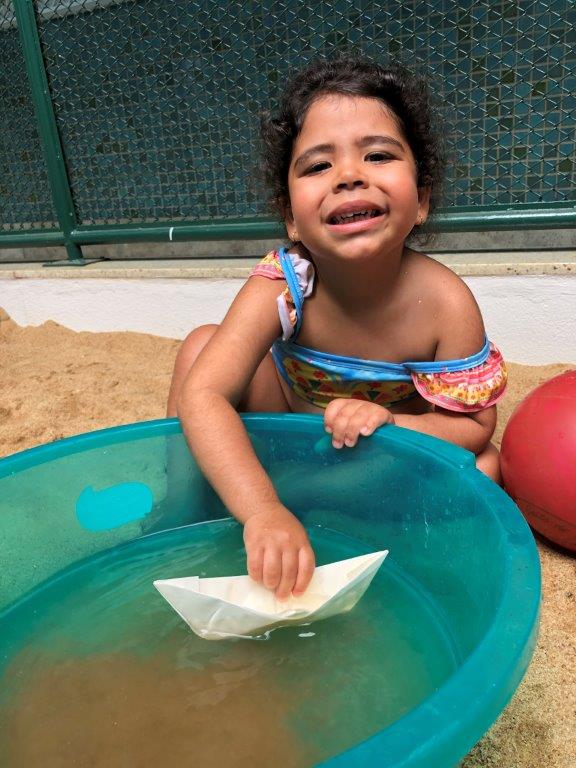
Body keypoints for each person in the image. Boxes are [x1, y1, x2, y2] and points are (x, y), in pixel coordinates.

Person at [167, 57, 507, 601]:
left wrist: (390, 422)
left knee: (488, 469)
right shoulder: (286, 281)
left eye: (378, 155)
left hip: (378, 461)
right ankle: (185, 509)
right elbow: (204, 395)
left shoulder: (445, 302)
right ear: (291, 218)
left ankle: (345, 517)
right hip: (289, 441)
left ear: (421, 200)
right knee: (201, 349)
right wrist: (262, 510)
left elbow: (474, 427)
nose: (349, 174)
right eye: (318, 165)